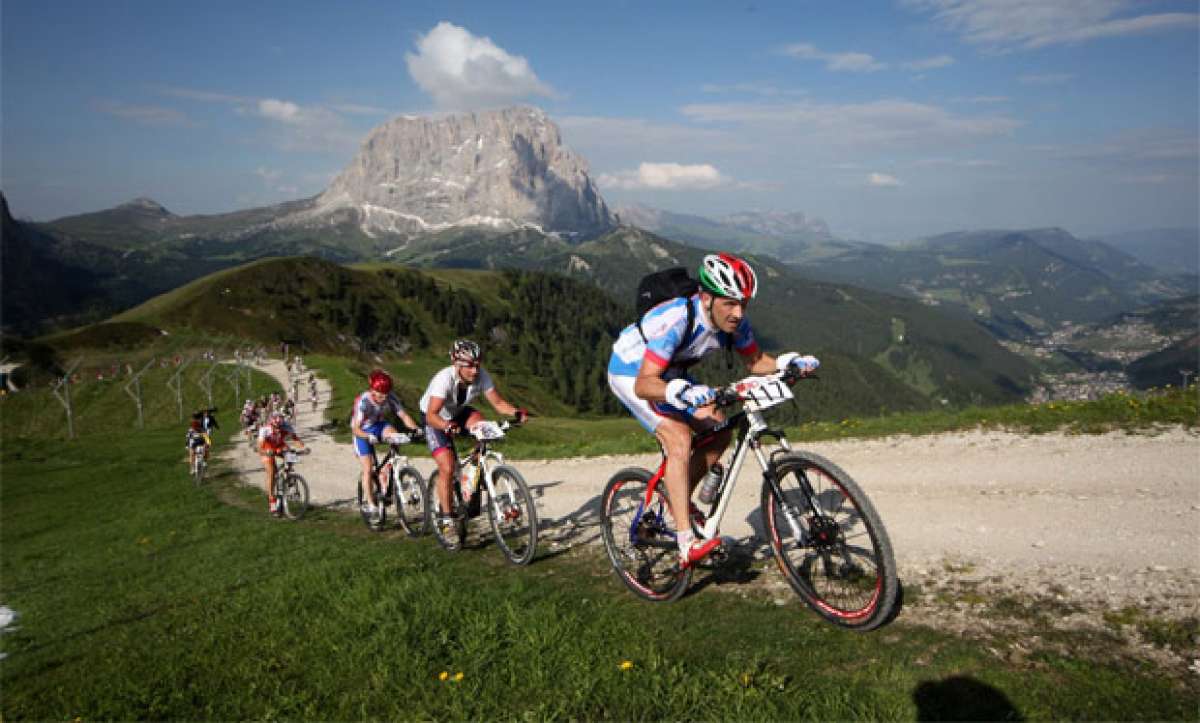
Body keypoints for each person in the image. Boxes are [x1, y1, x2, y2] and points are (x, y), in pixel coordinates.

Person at [606, 253, 819, 568]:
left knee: (720, 429)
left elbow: (756, 362)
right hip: (632, 372)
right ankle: (686, 543)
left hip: (670, 372)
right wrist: (678, 390)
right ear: (706, 298)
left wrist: (788, 362)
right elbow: (644, 385)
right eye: (729, 304)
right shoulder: (677, 321)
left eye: (743, 304)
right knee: (678, 439)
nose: (737, 313)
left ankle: (676, 499)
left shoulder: (734, 323)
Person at [420, 340, 528, 547]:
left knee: (483, 431)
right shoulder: (444, 379)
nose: (475, 370)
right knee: (448, 466)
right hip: (434, 418)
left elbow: (497, 403)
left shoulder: (482, 375)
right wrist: (446, 426)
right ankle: (446, 519)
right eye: (469, 365)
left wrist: (516, 412)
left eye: (478, 364)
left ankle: (471, 480)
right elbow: (432, 415)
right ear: (457, 364)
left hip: (459, 412)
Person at [351, 369, 420, 519]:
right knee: (368, 468)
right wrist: (367, 436)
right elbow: (355, 428)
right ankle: (370, 504)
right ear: (372, 390)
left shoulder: (390, 397)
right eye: (381, 394)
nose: (384, 398)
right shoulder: (363, 401)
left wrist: (416, 429)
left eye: (386, 394)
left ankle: (387, 472)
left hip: (379, 425)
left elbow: (404, 415)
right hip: (362, 431)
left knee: (395, 436)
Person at [257, 411, 306, 515]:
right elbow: (259, 447)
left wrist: (303, 447)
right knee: (271, 471)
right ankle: (272, 500)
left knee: (291, 455)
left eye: (280, 426)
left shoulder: (286, 426)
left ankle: (288, 477)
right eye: (276, 427)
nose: (278, 429)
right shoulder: (265, 429)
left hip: (279, 446)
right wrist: (265, 452)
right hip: (267, 449)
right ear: (271, 423)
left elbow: (295, 439)